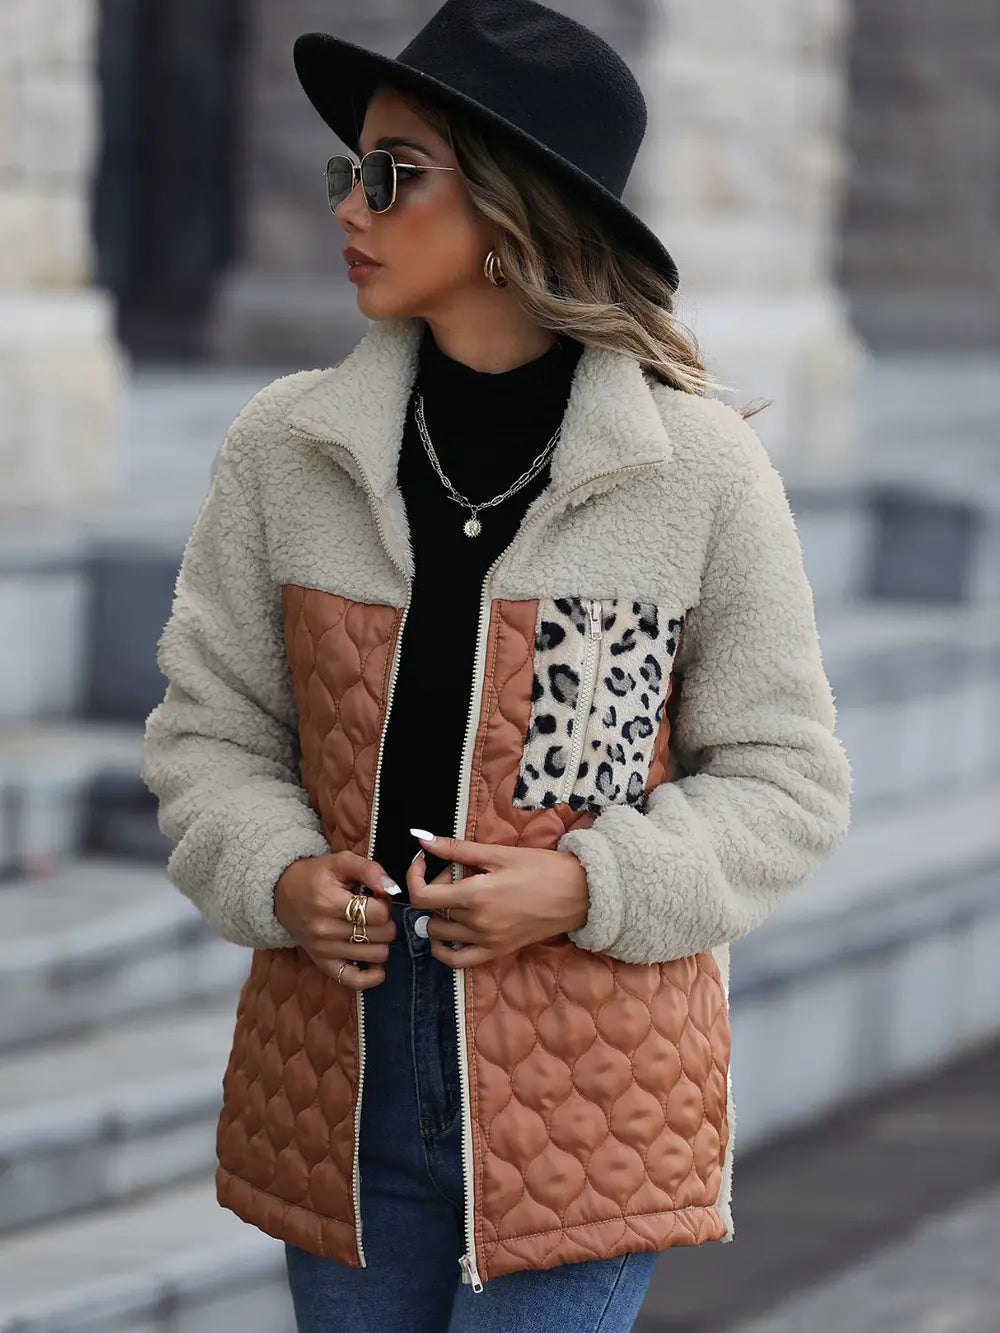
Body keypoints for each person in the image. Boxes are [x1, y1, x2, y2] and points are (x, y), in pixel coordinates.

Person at [140, 1, 853, 1329]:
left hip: (589, 1091)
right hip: (340, 1076)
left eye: (392, 174)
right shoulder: (286, 450)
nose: (347, 205)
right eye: (350, 169)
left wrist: (586, 884)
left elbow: (786, 780)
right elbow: (209, 733)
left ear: (511, 210)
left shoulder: (696, 471)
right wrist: (280, 873)